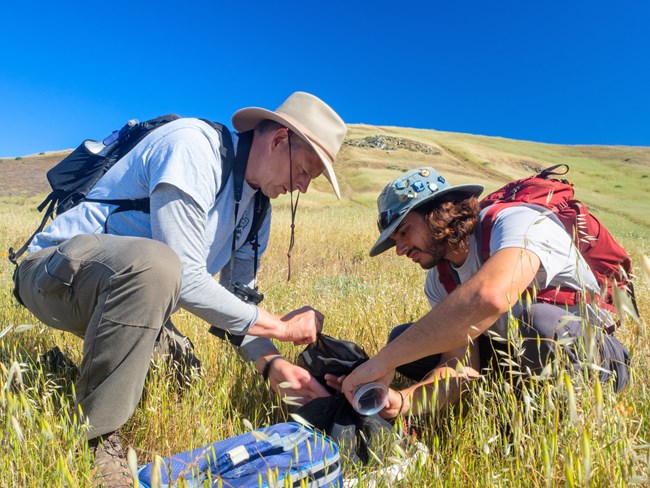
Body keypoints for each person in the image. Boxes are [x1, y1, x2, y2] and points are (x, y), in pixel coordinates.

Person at [12, 92, 344, 487]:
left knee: (184, 376)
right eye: (305, 171)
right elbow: (182, 274)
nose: (303, 187)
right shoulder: (192, 146)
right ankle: (94, 441)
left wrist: (274, 366)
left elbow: (239, 306)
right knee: (158, 265)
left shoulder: (257, 210)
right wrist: (281, 328)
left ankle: (56, 376)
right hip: (51, 275)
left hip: (122, 290)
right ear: (278, 140)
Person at [336, 166, 630, 421]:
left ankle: (561, 419)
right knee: (406, 340)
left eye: (404, 232)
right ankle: (511, 395)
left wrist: (383, 362)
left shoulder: (515, 222)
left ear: (438, 212)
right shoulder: (440, 279)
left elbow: (490, 296)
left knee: (536, 321)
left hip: (595, 357)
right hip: (516, 354)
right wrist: (402, 402)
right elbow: (458, 367)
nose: (400, 250)